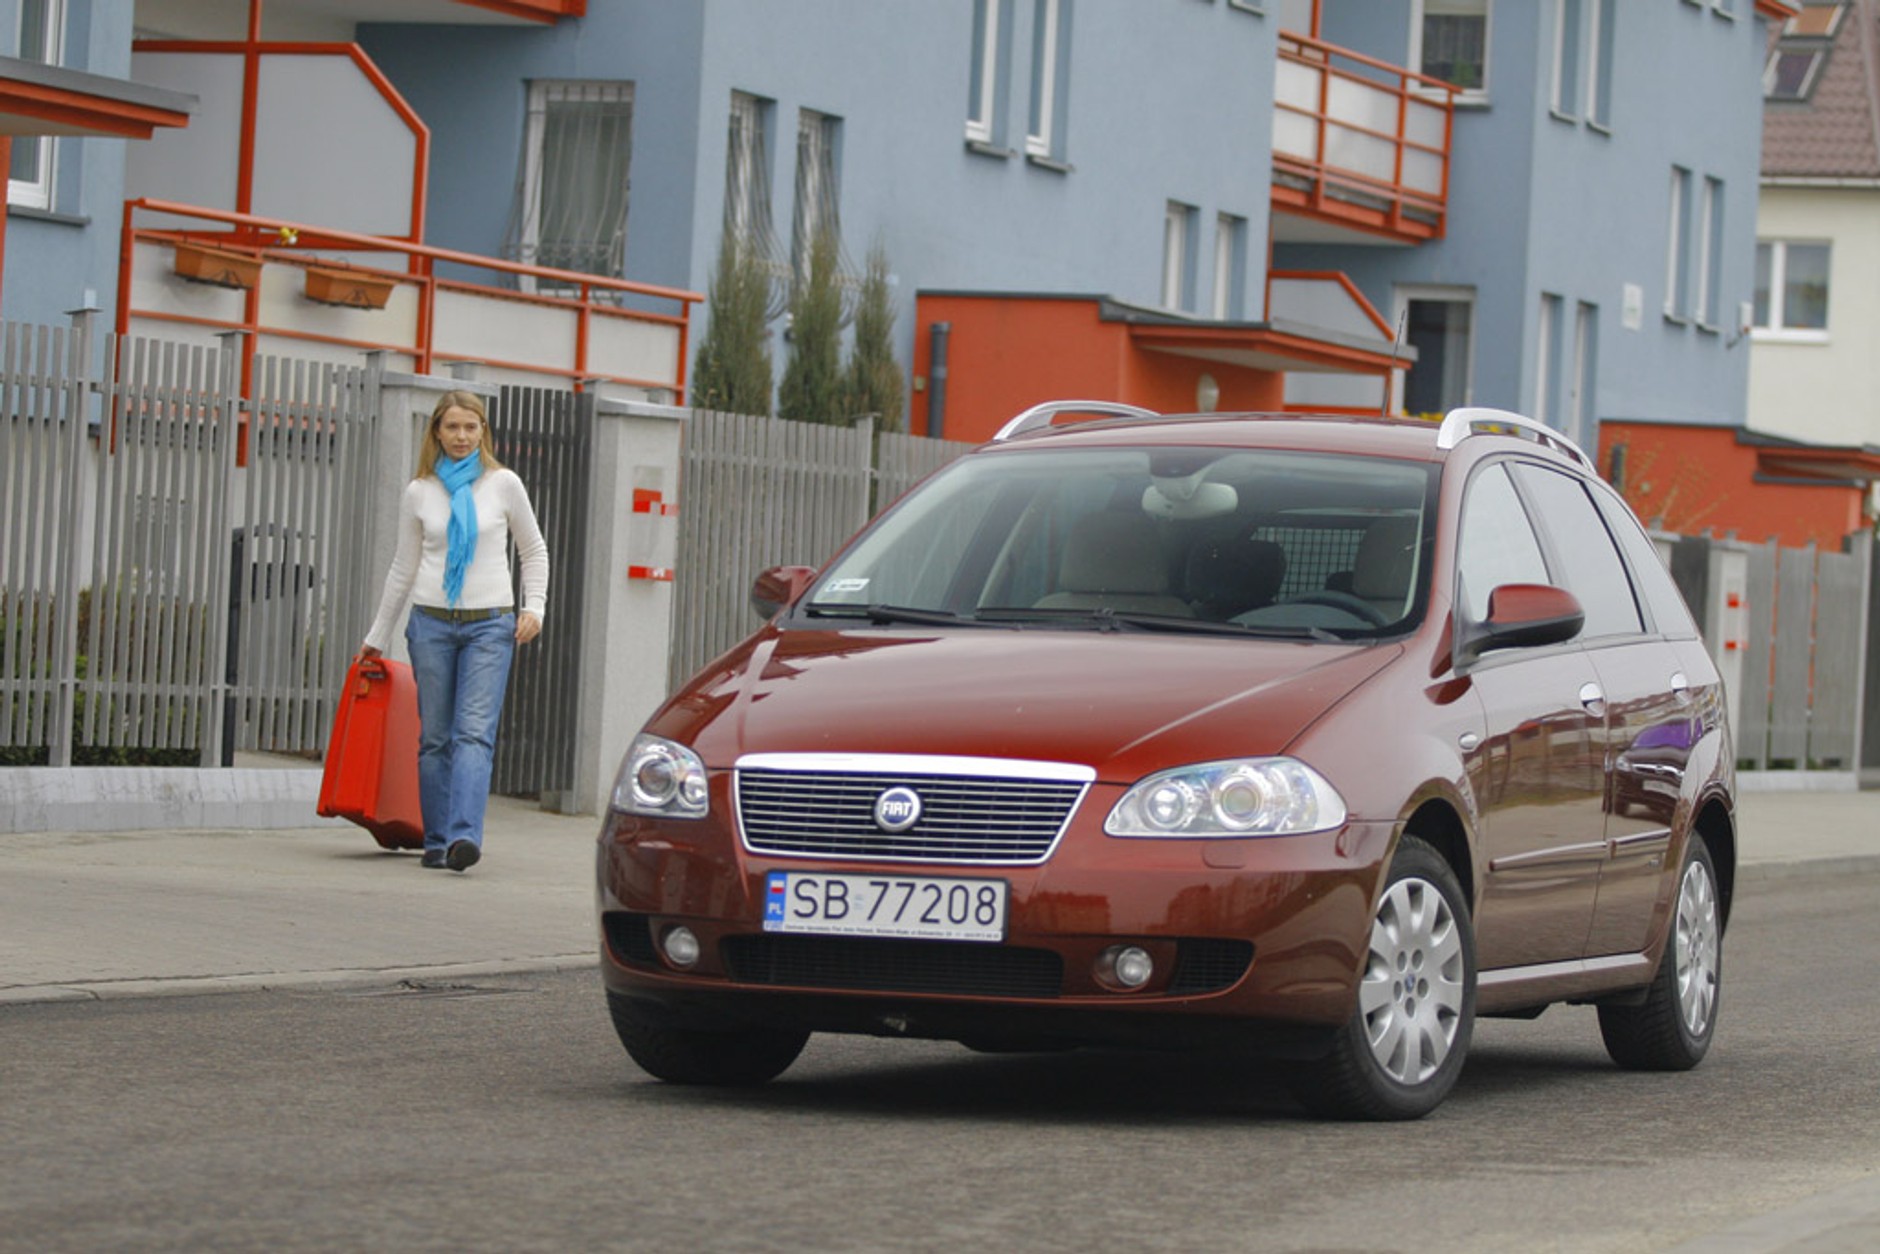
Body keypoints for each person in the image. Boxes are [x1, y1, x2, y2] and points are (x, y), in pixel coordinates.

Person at [360, 391, 548, 872]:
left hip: (491, 626)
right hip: (431, 625)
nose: (462, 437)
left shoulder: (503, 484)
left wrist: (535, 608)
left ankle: (465, 837)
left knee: (473, 736)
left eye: (471, 428)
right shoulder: (420, 492)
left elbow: (533, 550)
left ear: (482, 431)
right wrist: (378, 634)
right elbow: (403, 565)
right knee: (436, 739)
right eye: (452, 428)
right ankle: (438, 841)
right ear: (437, 433)